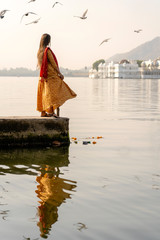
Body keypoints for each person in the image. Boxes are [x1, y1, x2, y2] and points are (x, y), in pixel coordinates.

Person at [37, 33, 77, 117]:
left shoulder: (39, 51)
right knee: (53, 94)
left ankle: (43, 112)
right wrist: (60, 73)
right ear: (48, 41)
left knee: (45, 94)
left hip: (42, 76)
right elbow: (53, 64)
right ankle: (51, 112)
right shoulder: (47, 51)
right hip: (51, 75)